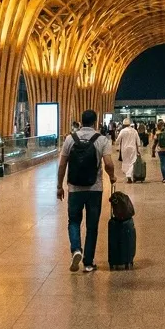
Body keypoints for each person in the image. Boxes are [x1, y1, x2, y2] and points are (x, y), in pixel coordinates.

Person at [58, 109, 116, 274]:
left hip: (74, 188)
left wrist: (59, 186)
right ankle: (88, 262)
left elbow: (62, 165)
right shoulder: (102, 140)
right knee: (92, 226)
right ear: (95, 122)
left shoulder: (70, 139)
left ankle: (76, 249)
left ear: (81, 122)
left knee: (74, 221)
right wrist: (112, 177)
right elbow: (109, 164)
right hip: (94, 189)